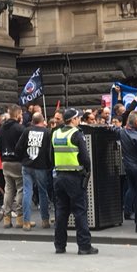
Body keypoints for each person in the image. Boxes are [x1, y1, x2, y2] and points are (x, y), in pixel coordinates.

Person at [52, 108, 97, 255]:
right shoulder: (76, 134)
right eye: (78, 118)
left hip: (59, 177)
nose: (79, 120)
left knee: (61, 211)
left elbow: (50, 156)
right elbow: (85, 157)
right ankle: (84, 246)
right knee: (80, 211)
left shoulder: (56, 133)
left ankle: (59, 246)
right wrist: (87, 171)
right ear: (72, 120)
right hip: (74, 177)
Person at [16, 111, 53, 231]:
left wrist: (23, 158)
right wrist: (49, 164)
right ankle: (45, 220)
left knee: (27, 192)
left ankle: (26, 222)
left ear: (32, 121)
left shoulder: (27, 131)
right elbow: (49, 151)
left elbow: (19, 147)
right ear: (42, 121)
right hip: (41, 166)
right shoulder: (47, 132)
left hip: (27, 165)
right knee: (42, 192)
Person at [0, 105, 24, 228]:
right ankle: (19, 218)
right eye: (21, 114)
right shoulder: (19, 128)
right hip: (17, 161)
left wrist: (3, 158)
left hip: (5, 161)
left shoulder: (1, 128)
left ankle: (6, 218)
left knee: (8, 189)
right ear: (17, 114)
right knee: (20, 188)